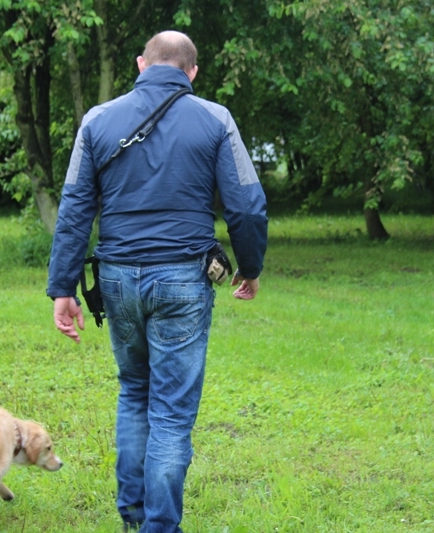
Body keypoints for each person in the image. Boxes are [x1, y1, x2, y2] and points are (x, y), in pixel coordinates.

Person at [46, 31, 268, 532]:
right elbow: (248, 205)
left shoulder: (97, 120)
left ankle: (133, 518)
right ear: (192, 73)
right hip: (184, 280)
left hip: (118, 279)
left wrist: (63, 286)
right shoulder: (216, 119)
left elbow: (75, 207)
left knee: (134, 392)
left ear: (141, 64)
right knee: (170, 411)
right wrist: (249, 268)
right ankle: (160, 527)